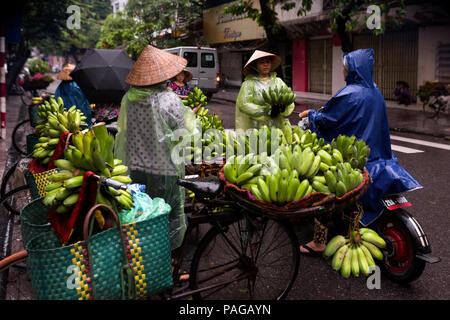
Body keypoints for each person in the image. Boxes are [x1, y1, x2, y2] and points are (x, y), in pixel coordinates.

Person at [298, 49, 422, 255]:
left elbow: (327, 120)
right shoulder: (376, 93)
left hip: (356, 161)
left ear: (353, 70)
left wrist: (310, 114)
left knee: (321, 191)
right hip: (381, 158)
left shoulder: (349, 94)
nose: (344, 72)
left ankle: (319, 242)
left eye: (345, 68)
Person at [114, 45, 197, 252]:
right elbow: (181, 133)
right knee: (169, 212)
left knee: (143, 211)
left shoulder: (129, 99)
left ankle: (144, 252)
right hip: (164, 169)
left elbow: (124, 130)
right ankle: (167, 253)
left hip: (136, 167)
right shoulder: (169, 99)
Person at [235, 50, 295, 132]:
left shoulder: (278, 81)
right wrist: (265, 111)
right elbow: (244, 104)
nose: (265, 65)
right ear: (255, 66)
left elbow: (289, 100)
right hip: (256, 127)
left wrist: (283, 108)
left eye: (268, 62)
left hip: (277, 127)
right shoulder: (248, 84)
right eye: (262, 62)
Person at [54, 63, 93, 127]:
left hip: (65, 115)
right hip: (81, 113)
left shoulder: (61, 86)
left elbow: (57, 98)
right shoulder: (78, 85)